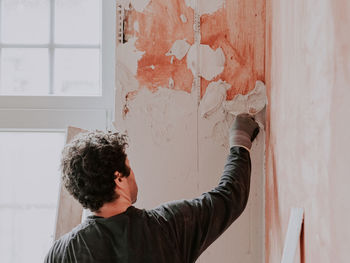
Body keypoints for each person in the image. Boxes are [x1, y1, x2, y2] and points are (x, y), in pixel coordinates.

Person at [45, 114, 259, 263]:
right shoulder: (168, 227)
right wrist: (239, 139)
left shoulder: (61, 253)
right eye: (129, 167)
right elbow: (230, 196)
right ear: (118, 178)